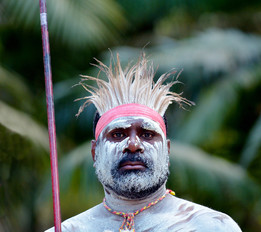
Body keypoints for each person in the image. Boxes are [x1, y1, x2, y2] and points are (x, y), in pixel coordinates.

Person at [45, 53, 242, 232]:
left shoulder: (212, 226)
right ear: (95, 153)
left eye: (147, 134)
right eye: (118, 134)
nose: (133, 145)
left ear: (167, 151)